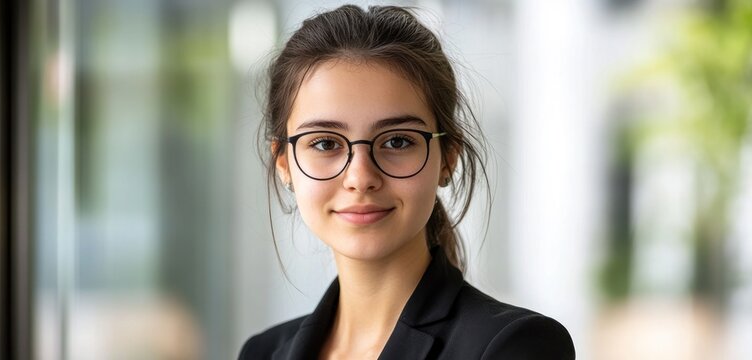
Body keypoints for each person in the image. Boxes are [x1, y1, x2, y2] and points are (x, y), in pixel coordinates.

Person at [239, 4, 574, 359]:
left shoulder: (515, 346)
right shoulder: (262, 353)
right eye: (325, 143)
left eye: (397, 141)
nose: (361, 178)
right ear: (284, 162)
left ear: (447, 156)